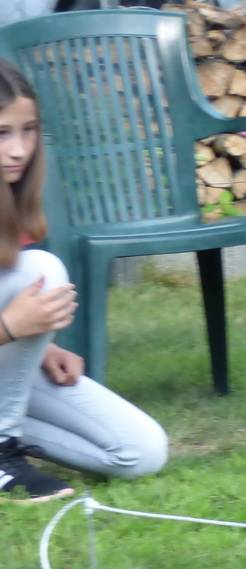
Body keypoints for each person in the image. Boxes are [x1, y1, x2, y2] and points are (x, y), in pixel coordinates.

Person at [0, 59, 168, 503]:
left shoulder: (11, 202)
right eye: (2, 133)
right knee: (44, 271)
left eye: (28, 130)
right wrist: (11, 329)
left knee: (142, 450)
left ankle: (7, 442)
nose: (18, 150)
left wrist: (35, 347)